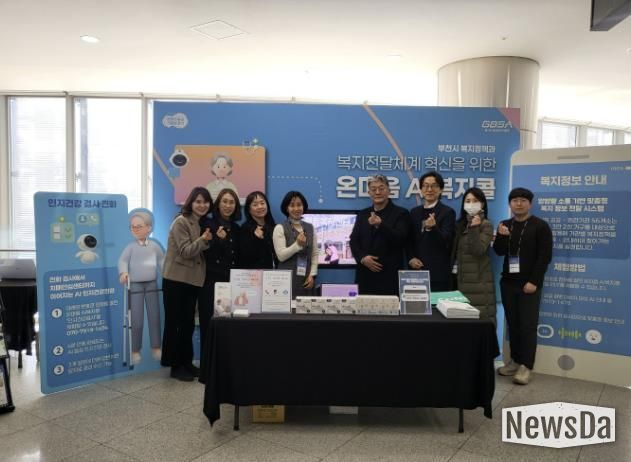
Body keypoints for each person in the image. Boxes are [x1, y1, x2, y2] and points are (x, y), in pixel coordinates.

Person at [493, 187, 553, 385]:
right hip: (508, 283)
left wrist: (534, 281)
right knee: (513, 324)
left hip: (529, 285)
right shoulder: (505, 224)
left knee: (527, 326)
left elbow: (544, 257)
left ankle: (526, 366)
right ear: (510, 204)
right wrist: (502, 236)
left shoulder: (540, 226)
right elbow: (499, 251)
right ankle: (515, 361)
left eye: (523, 200)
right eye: (515, 200)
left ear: (530, 203)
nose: (518, 204)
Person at [161, 186, 213, 381]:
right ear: (191, 202)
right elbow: (185, 251)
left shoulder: (202, 222)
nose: (202, 205)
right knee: (175, 324)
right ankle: (175, 366)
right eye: (198, 201)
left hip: (191, 281)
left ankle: (186, 362)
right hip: (176, 280)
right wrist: (204, 240)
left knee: (188, 324)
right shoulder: (181, 221)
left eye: (205, 202)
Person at [118, 209, 165, 364]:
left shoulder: (155, 246)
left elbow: (162, 261)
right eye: (133, 227)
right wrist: (123, 272)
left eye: (139, 226)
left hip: (152, 285)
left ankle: (156, 347)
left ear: (149, 228)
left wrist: (167, 275)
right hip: (135, 286)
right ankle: (135, 350)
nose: (135, 229)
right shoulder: (130, 247)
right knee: (136, 319)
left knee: (154, 317)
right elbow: (123, 261)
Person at [349, 174, 410, 295]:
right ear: (369, 193)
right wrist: (362, 258)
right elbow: (353, 240)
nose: (377, 192)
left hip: (389, 277)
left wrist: (380, 225)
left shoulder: (401, 213)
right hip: (365, 276)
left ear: (389, 191)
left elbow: (401, 239)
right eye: (373, 189)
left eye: (381, 188)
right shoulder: (363, 214)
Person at [198, 188, 241, 356]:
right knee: (208, 323)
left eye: (232, 202)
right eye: (225, 201)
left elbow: (237, 256)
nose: (228, 205)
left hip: (231, 282)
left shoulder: (236, 228)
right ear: (218, 204)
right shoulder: (207, 224)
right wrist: (219, 240)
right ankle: (207, 364)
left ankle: (224, 362)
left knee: (228, 324)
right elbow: (203, 252)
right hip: (210, 281)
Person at [451, 188, 496, 324]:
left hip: (478, 284)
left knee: (480, 325)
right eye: (468, 201)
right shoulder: (459, 225)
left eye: (475, 201)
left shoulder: (486, 225)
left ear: (482, 204)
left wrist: (474, 228)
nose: (471, 204)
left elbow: (478, 250)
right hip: (458, 281)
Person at [407, 171, 456, 292]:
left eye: (434, 186)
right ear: (421, 189)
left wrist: (433, 228)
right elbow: (408, 240)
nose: (429, 189)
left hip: (437, 274)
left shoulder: (447, 212)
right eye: (425, 185)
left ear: (441, 190)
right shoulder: (414, 212)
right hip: (416, 272)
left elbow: (447, 241)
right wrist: (411, 258)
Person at [273, 191, 318, 298]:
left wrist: (312, 275)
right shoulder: (280, 228)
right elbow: (281, 256)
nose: (296, 208)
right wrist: (297, 245)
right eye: (292, 205)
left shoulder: (310, 227)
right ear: (286, 208)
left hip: (306, 279)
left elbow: (315, 253)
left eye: (299, 205)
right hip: (285, 280)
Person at [239, 191, 277, 269]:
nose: (260, 207)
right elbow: (244, 256)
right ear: (249, 210)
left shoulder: (274, 227)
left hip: (274, 274)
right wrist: (256, 239)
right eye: (255, 204)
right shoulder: (245, 229)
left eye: (262, 203)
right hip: (253, 273)